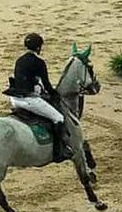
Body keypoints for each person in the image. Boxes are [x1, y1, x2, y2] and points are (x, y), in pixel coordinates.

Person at [5, 33, 72, 163]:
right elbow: (46, 85)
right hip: (29, 100)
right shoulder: (39, 62)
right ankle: (59, 151)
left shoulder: (19, 60)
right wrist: (55, 94)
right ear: (38, 48)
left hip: (15, 100)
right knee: (59, 118)